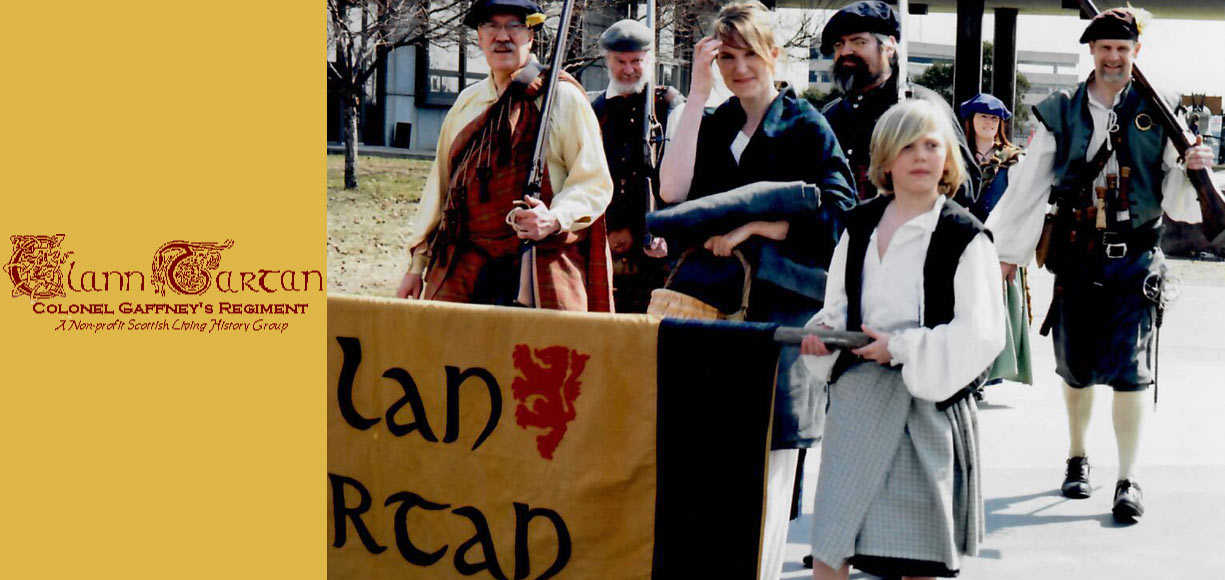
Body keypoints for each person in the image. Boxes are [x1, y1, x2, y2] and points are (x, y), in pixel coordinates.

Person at [986, 6, 1216, 524]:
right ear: (1091, 51)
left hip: (1136, 258)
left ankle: (1128, 477)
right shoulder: (1061, 110)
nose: (1114, 58)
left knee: (1133, 371)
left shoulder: (1164, 110)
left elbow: (1178, 202)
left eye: (1123, 49)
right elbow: (1028, 188)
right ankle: (1077, 456)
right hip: (1076, 254)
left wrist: (1193, 168)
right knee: (1076, 367)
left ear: (1138, 52)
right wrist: (1004, 254)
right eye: (1106, 48)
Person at [656, 3, 855, 579]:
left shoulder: (805, 125)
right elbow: (674, 191)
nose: (739, 68)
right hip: (719, 305)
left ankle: (763, 570)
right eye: (728, 57)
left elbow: (840, 215)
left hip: (783, 307)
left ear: (774, 55)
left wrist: (758, 226)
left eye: (750, 55)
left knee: (774, 450)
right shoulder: (716, 122)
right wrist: (695, 94)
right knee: (714, 447)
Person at [801, 99, 1004, 580]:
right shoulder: (860, 226)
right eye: (907, 146)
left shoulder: (964, 237)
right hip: (856, 400)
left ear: (949, 159)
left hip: (925, 402)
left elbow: (980, 333)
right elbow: (838, 305)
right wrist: (823, 336)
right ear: (885, 160)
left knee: (916, 555)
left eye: (932, 145)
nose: (920, 156)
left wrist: (902, 347)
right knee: (833, 542)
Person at [396, 0, 615, 311]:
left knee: (553, 354)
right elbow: (441, 191)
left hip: (543, 257)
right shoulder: (466, 102)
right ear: (479, 37)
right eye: (491, 26)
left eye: (514, 26)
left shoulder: (562, 98)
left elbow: (593, 183)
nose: (502, 37)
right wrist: (417, 267)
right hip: (467, 262)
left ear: (531, 36)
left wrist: (553, 218)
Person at [818, 0, 979, 204]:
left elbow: (962, 186)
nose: (846, 51)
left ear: (889, 47)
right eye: (839, 44)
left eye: (858, 42)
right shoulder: (831, 116)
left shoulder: (922, 108)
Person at [589, 18, 682, 312]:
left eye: (637, 61)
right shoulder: (594, 111)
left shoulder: (669, 106)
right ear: (608, 61)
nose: (628, 69)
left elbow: (683, 178)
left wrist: (670, 229)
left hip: (661, 253)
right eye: (620, 61)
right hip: (609, 250)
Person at [959, 93, 1032, 390]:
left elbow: (1021, 208)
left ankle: (986, 375)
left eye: (994, 118)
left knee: (994, 312)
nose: (989, 123)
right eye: (983, 117)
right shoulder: (956, 154)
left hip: (998, 246)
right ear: (971, 120)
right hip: (960, 244)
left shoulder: (1014, 160)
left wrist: (1014, 253)